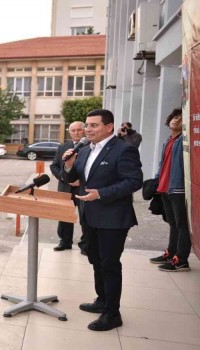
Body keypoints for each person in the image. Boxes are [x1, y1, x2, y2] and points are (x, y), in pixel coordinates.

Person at [61, 109, 142, 332]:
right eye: (87, 125)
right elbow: (73, 179)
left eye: (93, 125)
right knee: (95, 260)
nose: (87, 129)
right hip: (89, 216)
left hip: (113, 218)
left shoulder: (124, 150)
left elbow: (135, 181)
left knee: (109, 264)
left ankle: (112, 313)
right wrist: (68, 165)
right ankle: (102, 300)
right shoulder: (85, 150)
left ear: (109, 127)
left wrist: (102, 193)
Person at [150, 109, 191, 272]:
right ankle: (171, 253)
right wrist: (157, 181)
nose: (176, 120)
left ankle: (181, 260)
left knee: (181, 225)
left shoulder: (183, 140)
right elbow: (162, 163)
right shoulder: (168, 140)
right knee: (173, 223)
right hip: (165, 188)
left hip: (178, 188)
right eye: (175, 117)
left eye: (181, 119)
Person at [49, 121, 85, 252]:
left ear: (84, 130)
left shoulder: (91, 147)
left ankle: (85, 244)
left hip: (83, 189)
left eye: (79, 130)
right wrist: (65, 178)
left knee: (85, 217)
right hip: (65, 188)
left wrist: (81, 181)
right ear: (69, 132)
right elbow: (54, 166)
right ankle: (65, 242)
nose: (76, 133)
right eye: (73, 130)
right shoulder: (63, 147)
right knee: (64, 217)